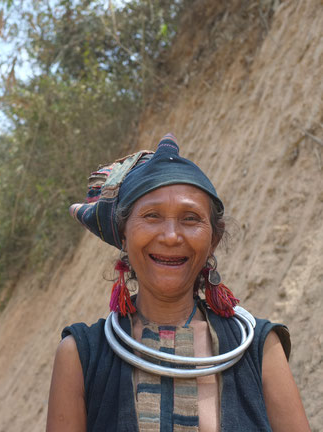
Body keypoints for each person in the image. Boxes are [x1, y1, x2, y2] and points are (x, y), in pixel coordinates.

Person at [46, 134, 310, 431]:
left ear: (213, 239)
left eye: (190, 219)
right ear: (123, 235)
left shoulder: (259, 349)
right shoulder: (80, 357)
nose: (171, 236)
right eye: (152, 216)